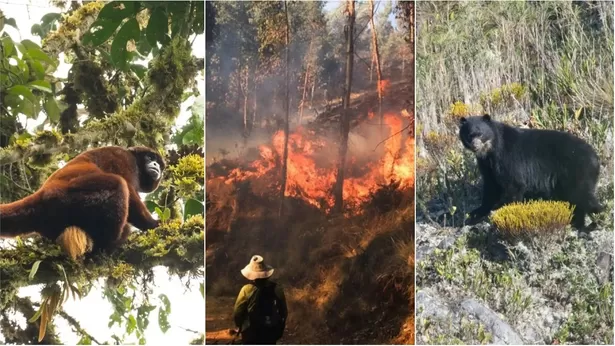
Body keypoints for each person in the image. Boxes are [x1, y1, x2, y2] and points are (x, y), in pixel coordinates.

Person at [233, 255, 288, 344]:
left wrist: (240, 327)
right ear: (266, 273)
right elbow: (284, 313)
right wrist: (279, 328)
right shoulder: (277, 289)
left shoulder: (246, 289)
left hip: (251, 332)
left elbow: (238, 312)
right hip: (271, 331)